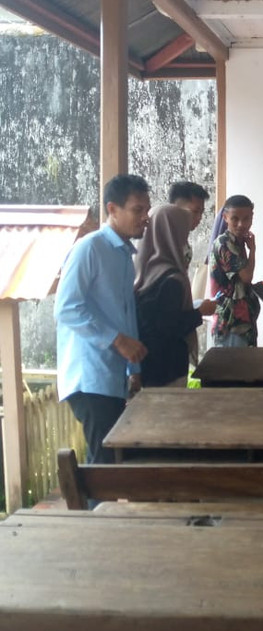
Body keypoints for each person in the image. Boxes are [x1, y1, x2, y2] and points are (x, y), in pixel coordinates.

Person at [54, 173, 150, 464]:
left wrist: (133, 367)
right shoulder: (89, 248)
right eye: (137, 210)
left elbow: (125, 314)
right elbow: (66, 308)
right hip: (89, 376)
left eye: (147, 210)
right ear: (112, 209)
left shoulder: (124, 254)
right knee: (105, 463)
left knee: (112, 459)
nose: (145, 217)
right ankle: (89, 497)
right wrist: (118, 341)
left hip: (111, 375)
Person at [134, 204, 216, 386]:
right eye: (183, 233)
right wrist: (199, 312)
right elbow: (168, 328)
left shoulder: (143, 269)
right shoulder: (171, 279)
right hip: (167, 370)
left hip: (145, 367)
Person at [209, 194, 260, 347]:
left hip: (241, 321)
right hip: (230, 323)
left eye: (246, 219)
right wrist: (253, 251)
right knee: (234, 363)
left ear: (252, 217)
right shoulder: (225, 242)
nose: (241, 224)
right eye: (235, 219)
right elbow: (247, 277)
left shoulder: (239, 242)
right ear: (225, 217)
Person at [168, 180, 210, 268]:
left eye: (201, 212)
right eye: (195, 211)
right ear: (174, 208)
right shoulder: (161, 241)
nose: (199, 218)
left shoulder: (183, 239)